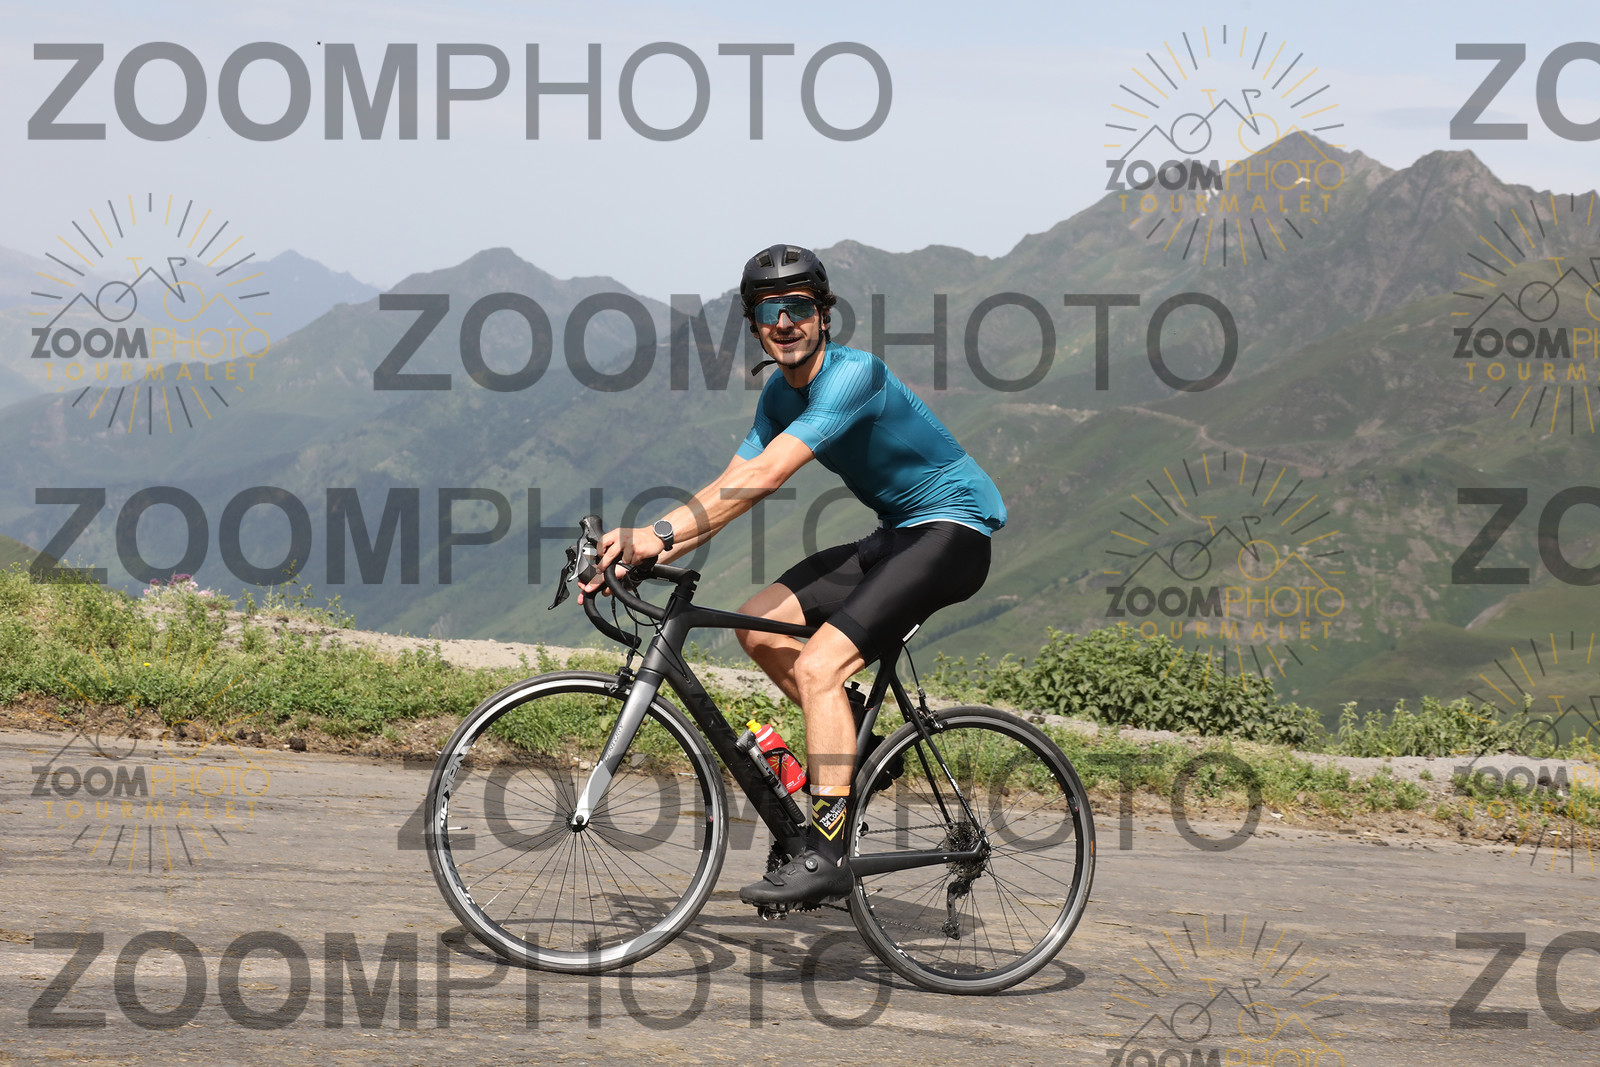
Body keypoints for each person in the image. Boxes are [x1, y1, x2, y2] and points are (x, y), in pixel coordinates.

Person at [581, 243, 1005, 905]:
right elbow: (732, 482)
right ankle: (855, 738)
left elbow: (769, 475)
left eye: (798, 307)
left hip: (954, 531)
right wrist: (646, 549)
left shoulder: (854, 376)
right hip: (898, 533)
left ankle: (828, 851)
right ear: (754, 326)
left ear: (824, 315)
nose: (784, 322)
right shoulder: (781, 394)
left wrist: (656, 535)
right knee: (760, 624)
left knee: (818, 667)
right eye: (768, 310)